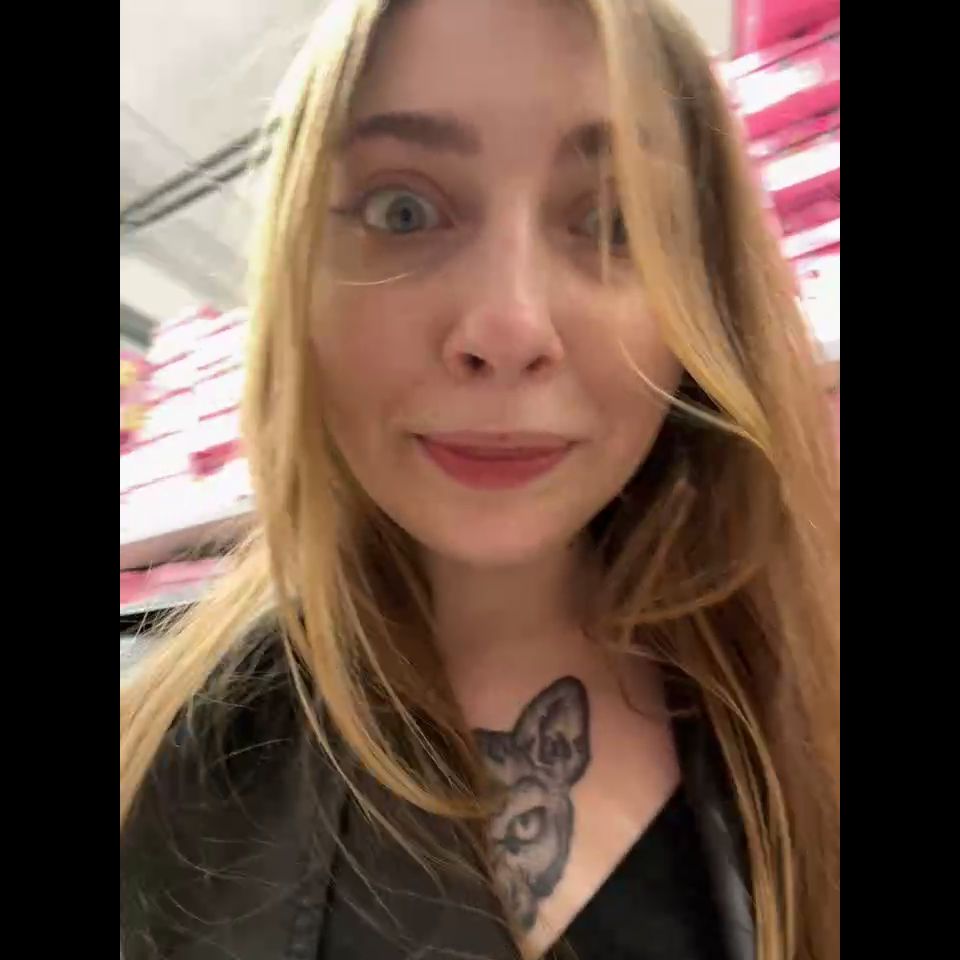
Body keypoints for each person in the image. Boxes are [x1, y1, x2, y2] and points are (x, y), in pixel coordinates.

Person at [119, 0, 840, 958]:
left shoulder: (808, 694)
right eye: (403, 211)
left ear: (706, 293)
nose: (507, 329)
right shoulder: (152, 773)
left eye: (616, 221)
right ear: (299, 281)